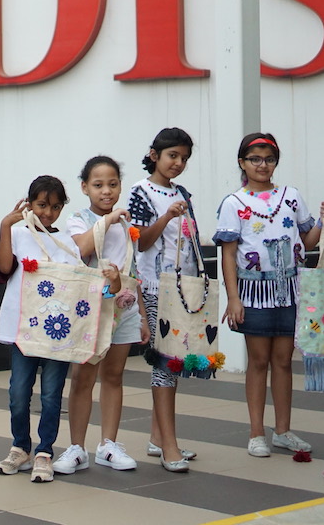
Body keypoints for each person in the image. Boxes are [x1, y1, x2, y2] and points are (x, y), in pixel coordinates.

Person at [0, 176, 120, 483]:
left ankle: (44, 451)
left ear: (63, 207)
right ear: (29, 204)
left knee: (51, 395)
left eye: (54, 206)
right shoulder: (19, 234)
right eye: (41, 205)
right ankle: (20, 446)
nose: (47, 213)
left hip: (57, 334)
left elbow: (79, 287)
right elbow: (4, 268)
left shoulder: (66, 242)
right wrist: (4, 226)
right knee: (18, 393)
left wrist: (112, 282)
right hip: (24, 332)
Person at [214, 133, 323, 457]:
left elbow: (310, 241)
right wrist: (234, 298)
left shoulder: (291, 196)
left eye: (269, 159)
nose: (263, 165)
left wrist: (322, 220)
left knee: (284, 362)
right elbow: (229, 255)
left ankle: (284, 430)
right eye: (256, 159)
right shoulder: (234, 203)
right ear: (242, 163)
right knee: (258, 362)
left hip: (290, 292)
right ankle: (257, 432)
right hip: (254, 293)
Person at [54, 157, 149, 475]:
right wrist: (107, 221)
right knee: (82, 378)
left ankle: (109, 444)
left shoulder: (128, 224)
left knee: (114, 376)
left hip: (124, 308)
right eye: (98, 185)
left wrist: (144, 316)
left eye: (112, 184)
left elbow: (134, 269)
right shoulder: (78, 219)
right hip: (88, 311)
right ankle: (77, 447)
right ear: (84, 188)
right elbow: (81, 249)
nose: (106, 191)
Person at [127, 128, 199, 472]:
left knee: (173, 364)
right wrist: (168, 216)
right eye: (173, 155)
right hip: (155, 287)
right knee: (165, 366)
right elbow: (140, 242)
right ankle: (169, 446)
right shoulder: (140, 192)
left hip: (182, 289)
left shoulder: (183, 192)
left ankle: (159, 438)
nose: (179, 163)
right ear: (154, 154)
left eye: (184, 157)